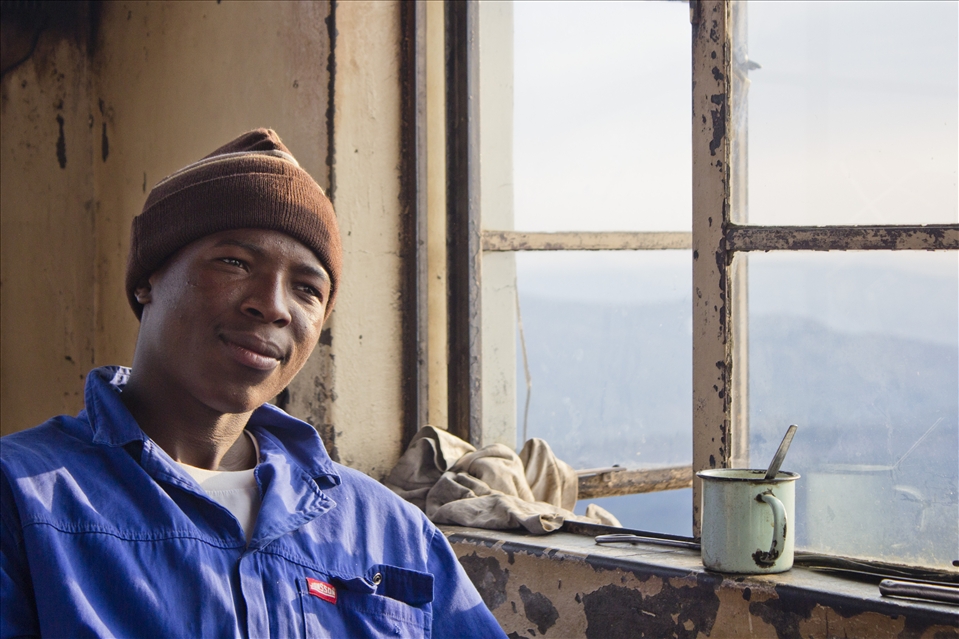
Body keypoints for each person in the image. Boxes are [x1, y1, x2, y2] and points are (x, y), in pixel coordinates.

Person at [0, 129, 507, 638]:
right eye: (235, 263)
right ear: (147, 278)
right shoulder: (22, 497)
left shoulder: (392, 532)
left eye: (307, 289)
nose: (273, 305)